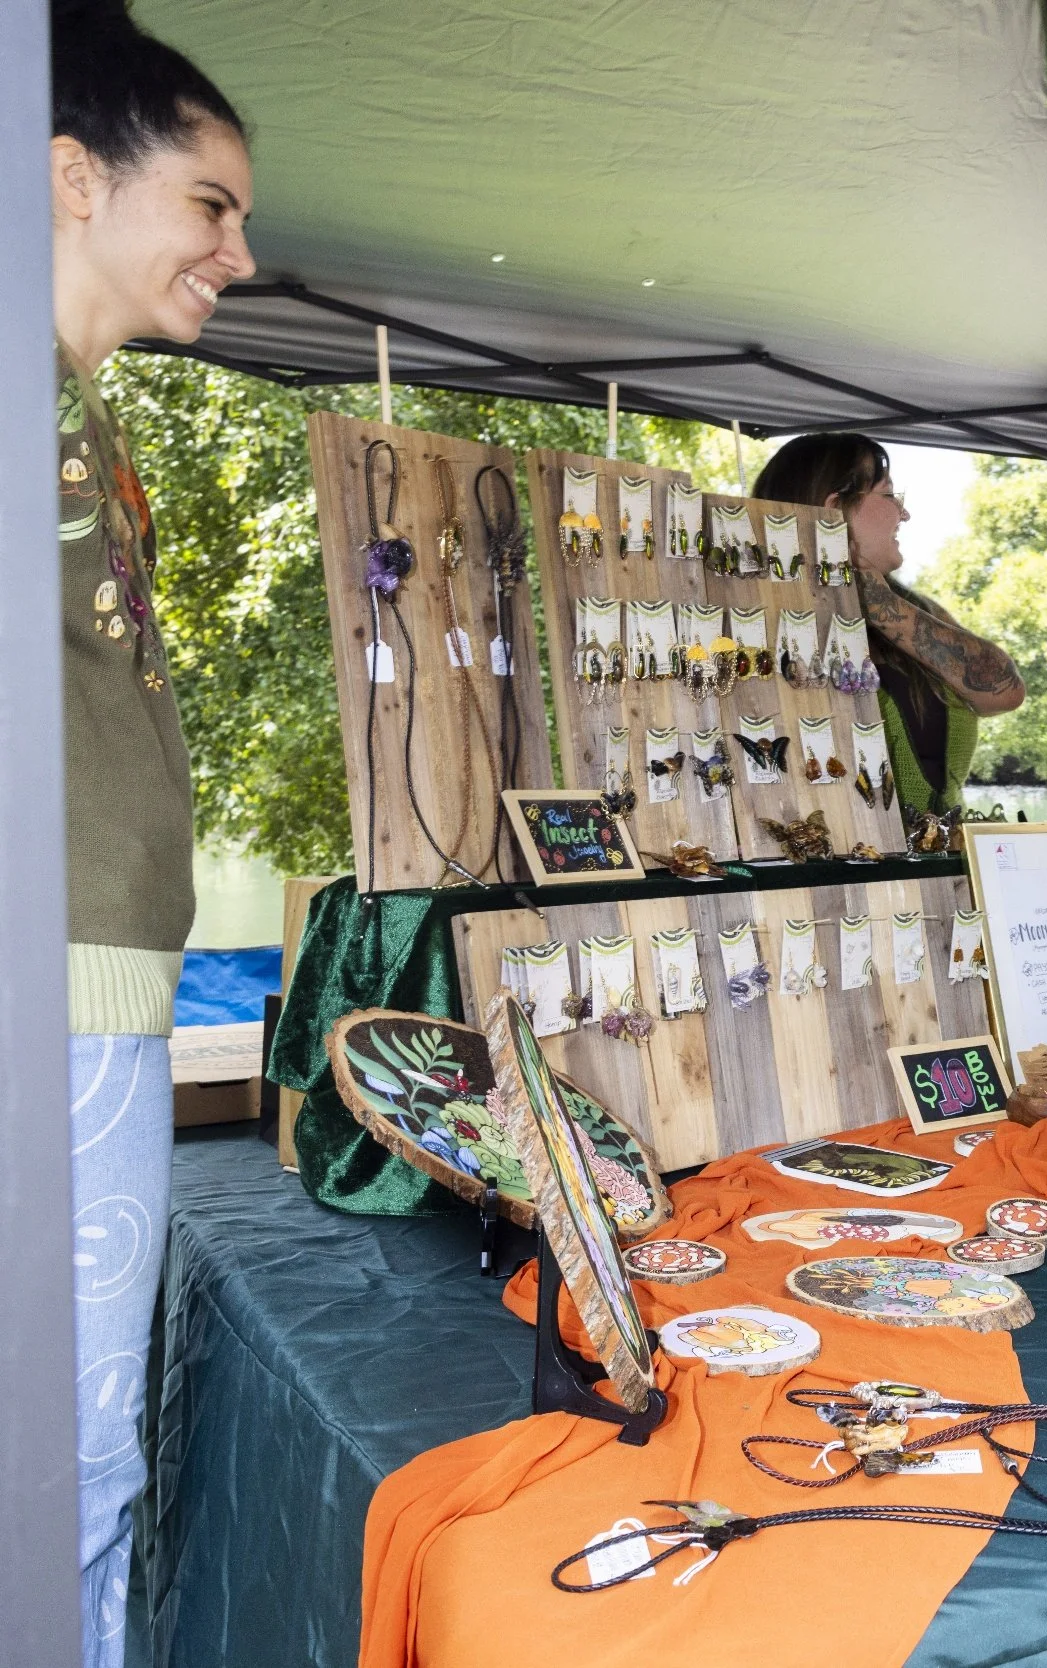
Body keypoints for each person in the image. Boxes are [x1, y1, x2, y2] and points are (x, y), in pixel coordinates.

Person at [50, 3, 254, 1662]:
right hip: (47, 1003)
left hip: (93, 998)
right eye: (210, 201)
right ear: (71, 177)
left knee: (83, 1459)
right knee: (68, 1463)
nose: (240, 252)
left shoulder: (78, 407)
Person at [750, 434, 1023, 816]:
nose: (904, 514)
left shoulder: (915, 609)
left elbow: (1004, 693)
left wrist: (880, 603)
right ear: (835, 508)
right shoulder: (758, 618)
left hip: (941, 864)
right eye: (890, 496)